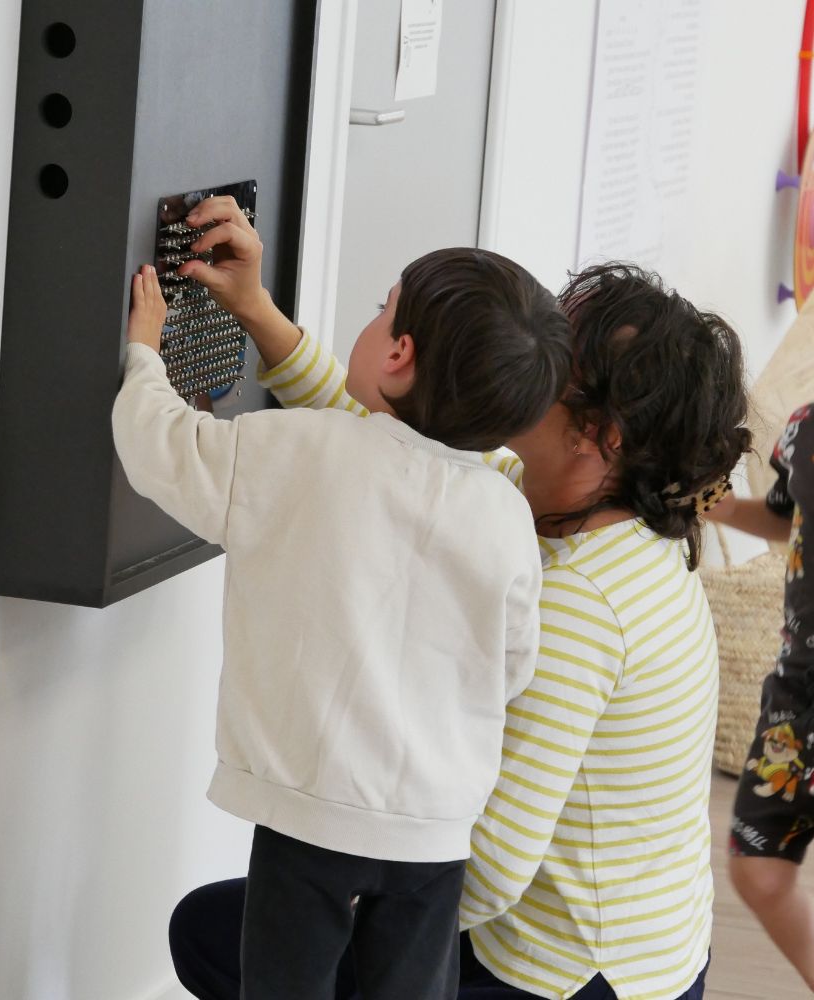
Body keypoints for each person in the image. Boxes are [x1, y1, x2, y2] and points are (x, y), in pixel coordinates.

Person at [166, 197, 752, 1000]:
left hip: (567, 975)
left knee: (238, 940)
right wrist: (256, 311)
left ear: (600, 437)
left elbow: (500, 863)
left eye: (554, 357)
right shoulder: (552, 503)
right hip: (634, 948)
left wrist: (376, 920)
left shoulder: (585, 600)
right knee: (226, 926)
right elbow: (376, 444)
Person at [112, 226, 574, 998]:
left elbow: (161, 446)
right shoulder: (505, 514)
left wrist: (145, 352)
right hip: (434, 834)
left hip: (311, 822)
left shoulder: (299, 449)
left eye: (380, 309)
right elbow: (515, 668)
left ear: (398, 354)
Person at [705, 405, 814, 990]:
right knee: (760, 870)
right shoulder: (803, 429)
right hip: (796, 694)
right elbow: (786, 518)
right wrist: (712, 504)